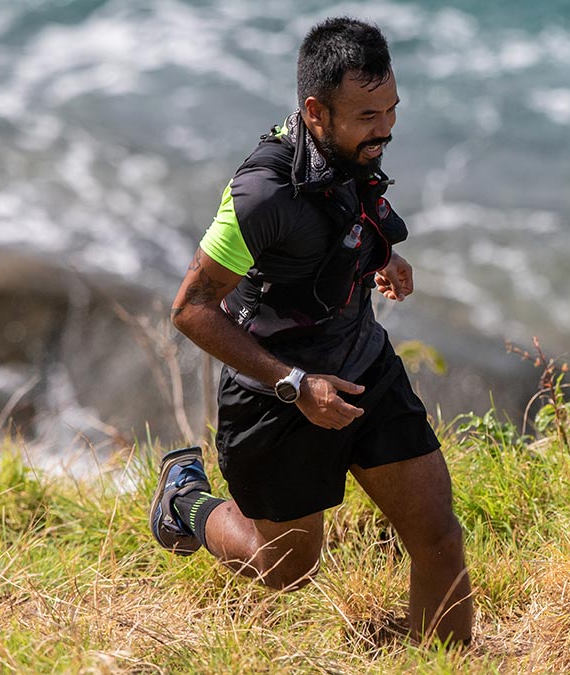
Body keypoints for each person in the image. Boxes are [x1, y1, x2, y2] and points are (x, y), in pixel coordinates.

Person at [151, 16, 473, 645]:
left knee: (439, 537)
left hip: (365, 370)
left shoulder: (350, 148)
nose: (384, 128)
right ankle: (185, 502)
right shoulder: (260, 195)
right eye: (366, 115)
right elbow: (190, 308)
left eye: (392, 109)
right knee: (287, 569)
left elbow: (343, 216)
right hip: (277, 395)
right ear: (315, 112)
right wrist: (296, 384)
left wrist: (382, 257)